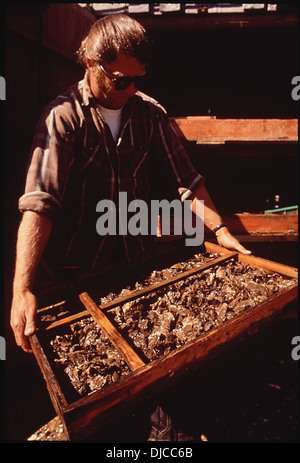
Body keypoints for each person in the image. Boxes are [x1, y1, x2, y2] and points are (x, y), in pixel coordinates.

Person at [10, 14, 250, 439]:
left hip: (135, 268)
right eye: (122, 80)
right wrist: (21, 288)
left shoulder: (150, 114)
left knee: (154, 382)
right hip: (77, 276)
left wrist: (219, 231)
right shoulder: (63, 119)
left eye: (138, 78)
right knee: (98, 397)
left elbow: (186, 180)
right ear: (91, 63)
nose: (132, 89)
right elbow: (40, 204)